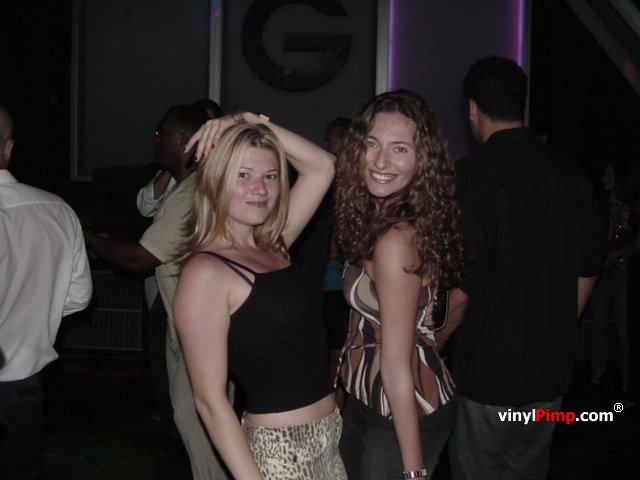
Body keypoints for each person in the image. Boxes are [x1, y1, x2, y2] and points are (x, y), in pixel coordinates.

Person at [445, 55, 606, 480]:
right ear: (522, 104)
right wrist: (557, 324)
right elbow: (590, 264)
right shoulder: (571, 173)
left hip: (488, 371)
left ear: (473, 108)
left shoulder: (470, 177)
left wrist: (432, 344)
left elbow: (464, 286)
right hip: (550, 369)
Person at [173, 112, 346, 479]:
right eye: (243, 175)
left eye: (270, 176)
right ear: (217, 180)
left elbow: (323, 167)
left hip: (329, 436)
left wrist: (250, 119)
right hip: (281, 450)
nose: (260, 188)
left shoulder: (273, 244)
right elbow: (210, 401)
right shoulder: (205, 272)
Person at [84, 104, 230, 479]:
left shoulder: (192, 193)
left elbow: (139, 259)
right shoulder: (195, 186)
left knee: (201, 425)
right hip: (195, 324)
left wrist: (87, 239)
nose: (156, 139)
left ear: (185, 140)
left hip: (200, 330)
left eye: (162, 132)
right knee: (193, 418)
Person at [333, 90, 463, 480]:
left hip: (402, 409)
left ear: (422, 160)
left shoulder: (394, 240)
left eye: (399, 148)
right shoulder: (381, 214)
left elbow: (395, 366)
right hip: (367, 399)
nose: (380, 161)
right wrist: (254, 123)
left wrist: (414, 471)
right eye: (371, 143)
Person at [0, 106, 92, 479]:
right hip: (22, 382)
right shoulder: (57, 210)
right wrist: (33, 313)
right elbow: (78, 297)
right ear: (8, 148)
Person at [589, 161, 638, 391]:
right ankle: (598, 369)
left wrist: (623, 256)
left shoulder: (631, 207)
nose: (604, 179)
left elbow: (634, 238)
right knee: (597, 321)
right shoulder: (600, 206)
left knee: (623, 322)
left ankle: (627, 375)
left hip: (620, 269)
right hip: (602, 268)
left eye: (609, 174)